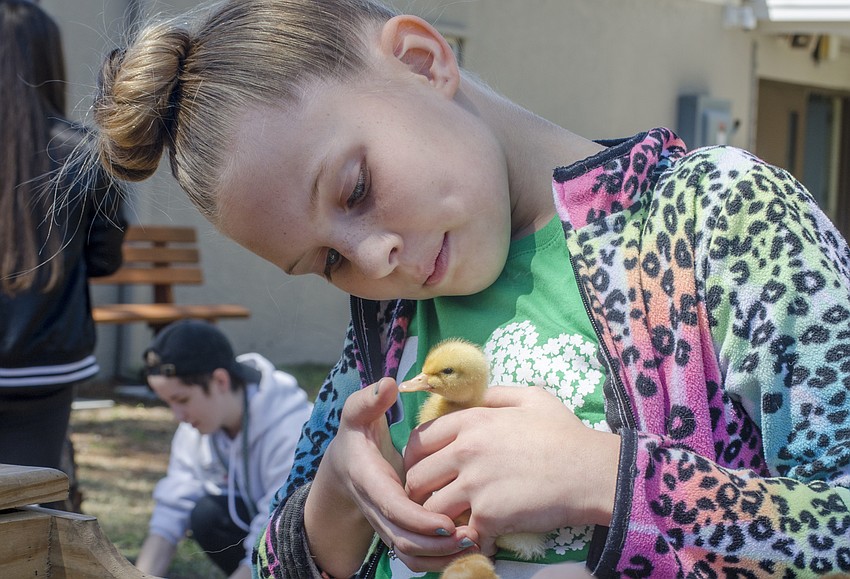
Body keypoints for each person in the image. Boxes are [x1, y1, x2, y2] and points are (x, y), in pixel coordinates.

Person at [86, 0, 850, 577]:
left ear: (422, 62)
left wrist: (606, 478)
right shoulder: (385, 328)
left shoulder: (718, 219)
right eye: (326, 262)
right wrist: (340, 496)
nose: (374, 255)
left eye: (355, 189)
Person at [0, 0, 126, 498]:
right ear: (48, 62)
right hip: (47, 365)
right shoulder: (83, 153)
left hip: (45, 361)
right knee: (32, 504)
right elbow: (105, 258)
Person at [136, 319, 313, 579]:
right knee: (207, 515)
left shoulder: (290, 429)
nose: (178, 415)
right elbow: (173, 506)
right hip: (263, 531)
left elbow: (277, 524)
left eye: (182, 400)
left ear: (220, 380)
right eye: (168, 403)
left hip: (304, 543)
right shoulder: (196, 426)